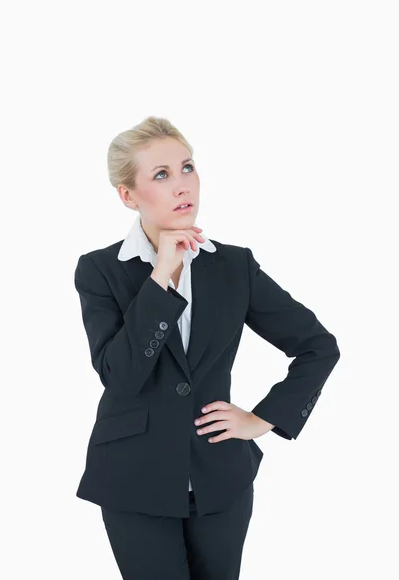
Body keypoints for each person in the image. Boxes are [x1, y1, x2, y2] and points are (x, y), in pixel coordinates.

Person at [74, 115, 340, 579]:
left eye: (187, 168)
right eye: (161, 175)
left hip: (221, 479)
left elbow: (318, 346)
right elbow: (120, 376)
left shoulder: (233, 266)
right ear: (128, 195)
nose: (182, 186)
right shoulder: (100, 271)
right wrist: (161, 277)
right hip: (133, 480)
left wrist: (262, 419)